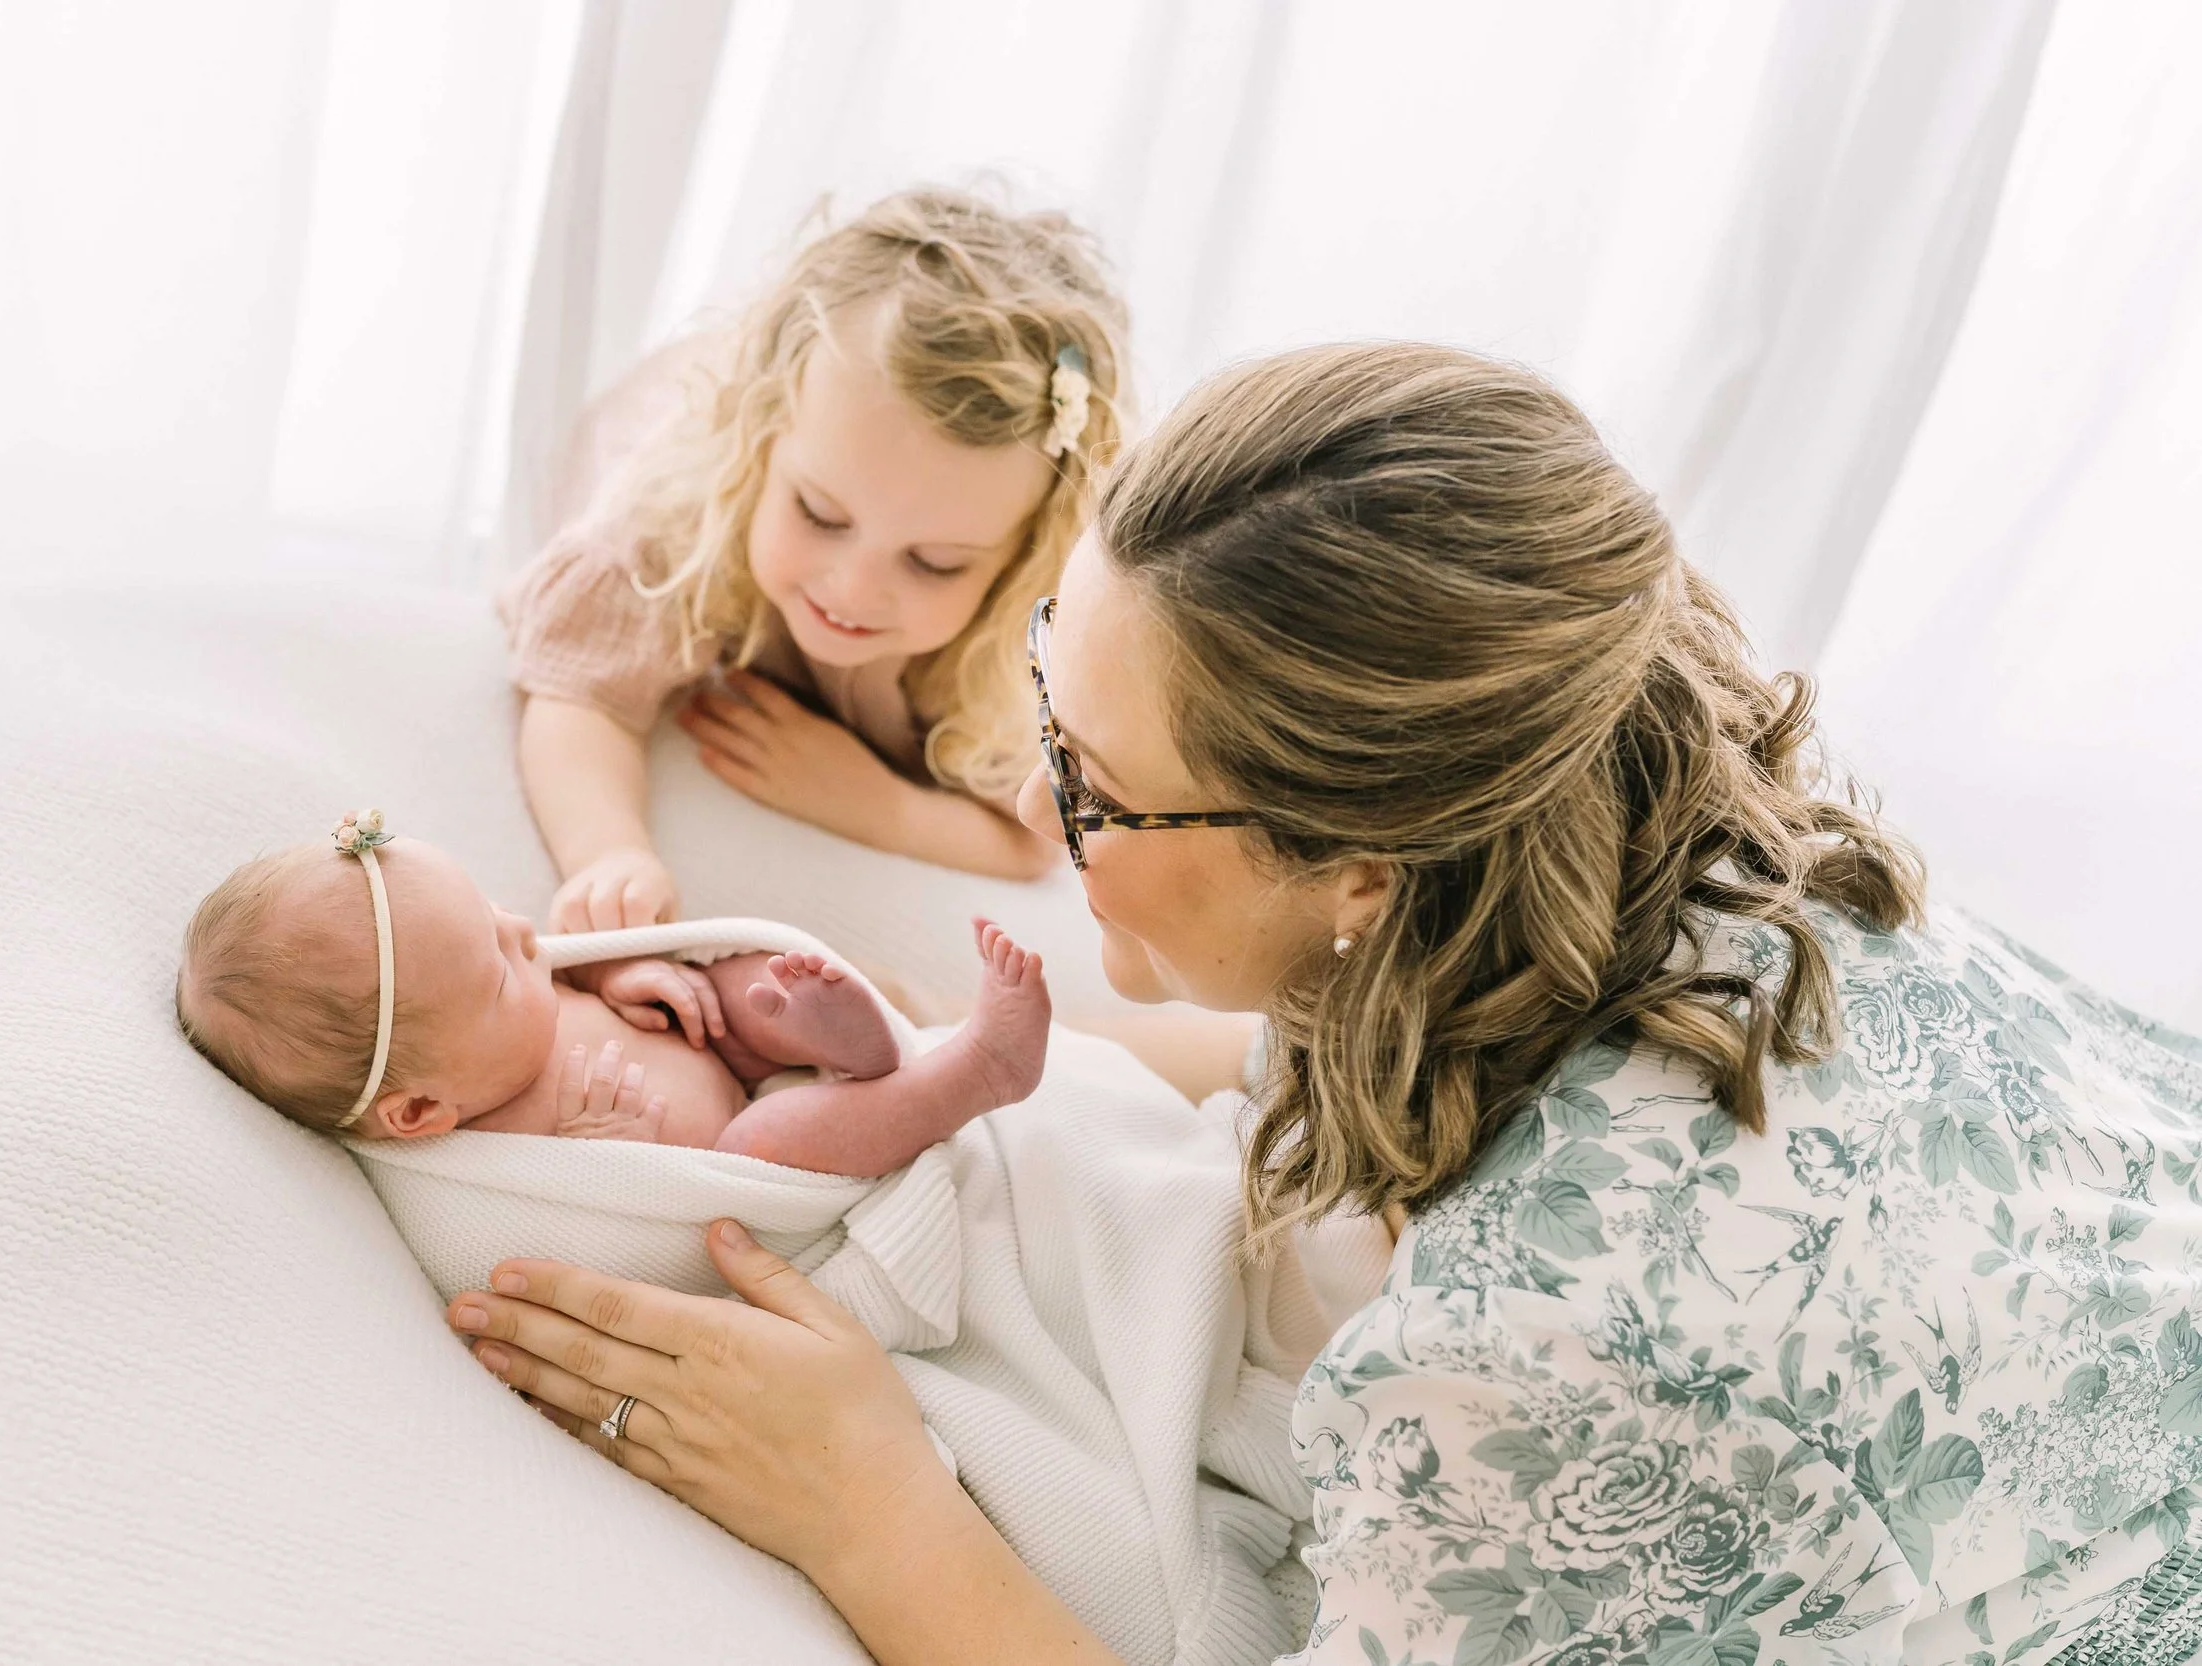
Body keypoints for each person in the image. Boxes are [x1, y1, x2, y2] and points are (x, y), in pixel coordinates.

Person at [439, 343, 2202, 1665]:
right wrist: (970, 1052)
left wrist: (872, 1507)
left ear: (1362, 868)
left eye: (1103, 791)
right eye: (1050, 704)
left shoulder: (1524, 1361)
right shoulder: (1630, 821)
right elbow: (1314, 1030)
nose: (1050, 820)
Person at [503, 187, 1131, 931]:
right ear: (763, 436)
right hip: (666, 446)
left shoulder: (1013, 644)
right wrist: (610, 854)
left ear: (1021, 558)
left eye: (933, 563)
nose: (853, 588)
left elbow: (1035, 837)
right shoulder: (685, 514)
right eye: (820, 515)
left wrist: (883, 808)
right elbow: (580, 690)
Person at [174, 813, 1048, 1177]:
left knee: (737, 986)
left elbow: (574, 959)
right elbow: (594, 1244)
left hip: (717, 1049)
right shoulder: (484, 1158)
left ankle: (838, 1044)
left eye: (491, 912)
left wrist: (623, 974)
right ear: (418, 1111)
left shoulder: (488, 1009)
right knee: (769, 1140)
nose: (524, 934)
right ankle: (970, 1073)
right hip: (733, 1154)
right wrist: (610, 1159)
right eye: (499, 966)